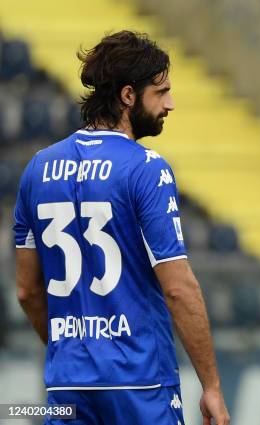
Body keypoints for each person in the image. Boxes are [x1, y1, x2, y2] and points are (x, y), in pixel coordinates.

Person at [13, 31, 230, 425]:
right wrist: (211, 386)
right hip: (140, 386)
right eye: (161, 91)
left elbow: (27, 291)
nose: (170, 104)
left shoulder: (37, 168)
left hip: (68, 386)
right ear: (128, 96)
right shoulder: (146, 168)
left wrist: (73, 353)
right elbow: (178, 288)